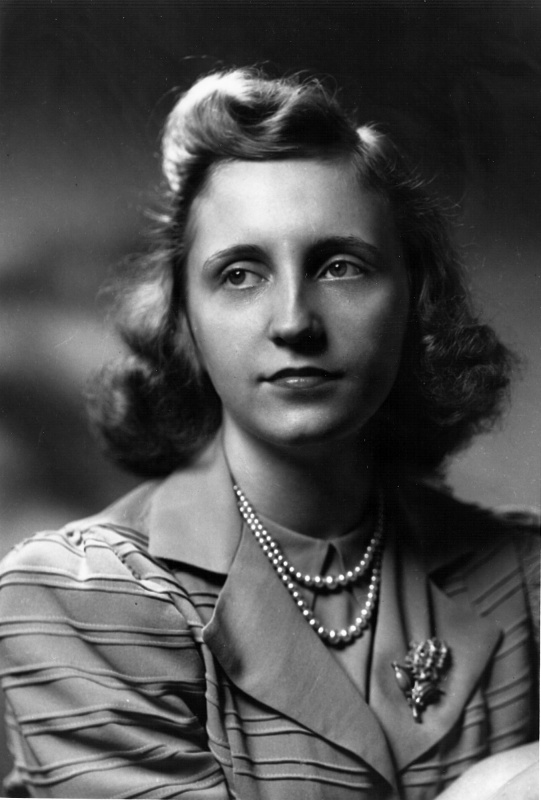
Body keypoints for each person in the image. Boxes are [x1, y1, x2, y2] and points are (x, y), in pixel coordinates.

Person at [0, 68, 538, 800]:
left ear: (414, 300)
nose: (293, 322)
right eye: (240, 275)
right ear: (183, 321)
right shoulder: (82, 598)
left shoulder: (522, 581)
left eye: (340, 266)